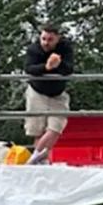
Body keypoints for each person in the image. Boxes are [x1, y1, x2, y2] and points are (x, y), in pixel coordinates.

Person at [23, 23, 74, 165]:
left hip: (57, 94)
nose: (46, 42)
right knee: (38, 130)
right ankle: (41, 162)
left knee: (56, 128)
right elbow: (29, 68)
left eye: (50, 39)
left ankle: (32, 160)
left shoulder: (65, 48)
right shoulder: (34, 49)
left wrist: (59, 64)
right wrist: (47, 67)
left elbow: (69, 69)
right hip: (37, 92)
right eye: (43, 38)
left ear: (58, 38)